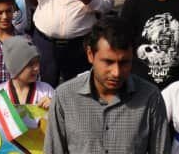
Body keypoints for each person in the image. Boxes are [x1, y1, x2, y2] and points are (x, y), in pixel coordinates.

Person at [45, 16, 171, 154]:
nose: (116, 72)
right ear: (90, 55)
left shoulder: (150, 98)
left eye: (124, 63)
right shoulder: (64, 97)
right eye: (108, 62)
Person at [0, 35, 55, 108]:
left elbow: (61, 113)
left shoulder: (46, 91)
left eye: (37, 62)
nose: (37, 68)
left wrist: (54, 106)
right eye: (30, 64)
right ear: (15, 67)